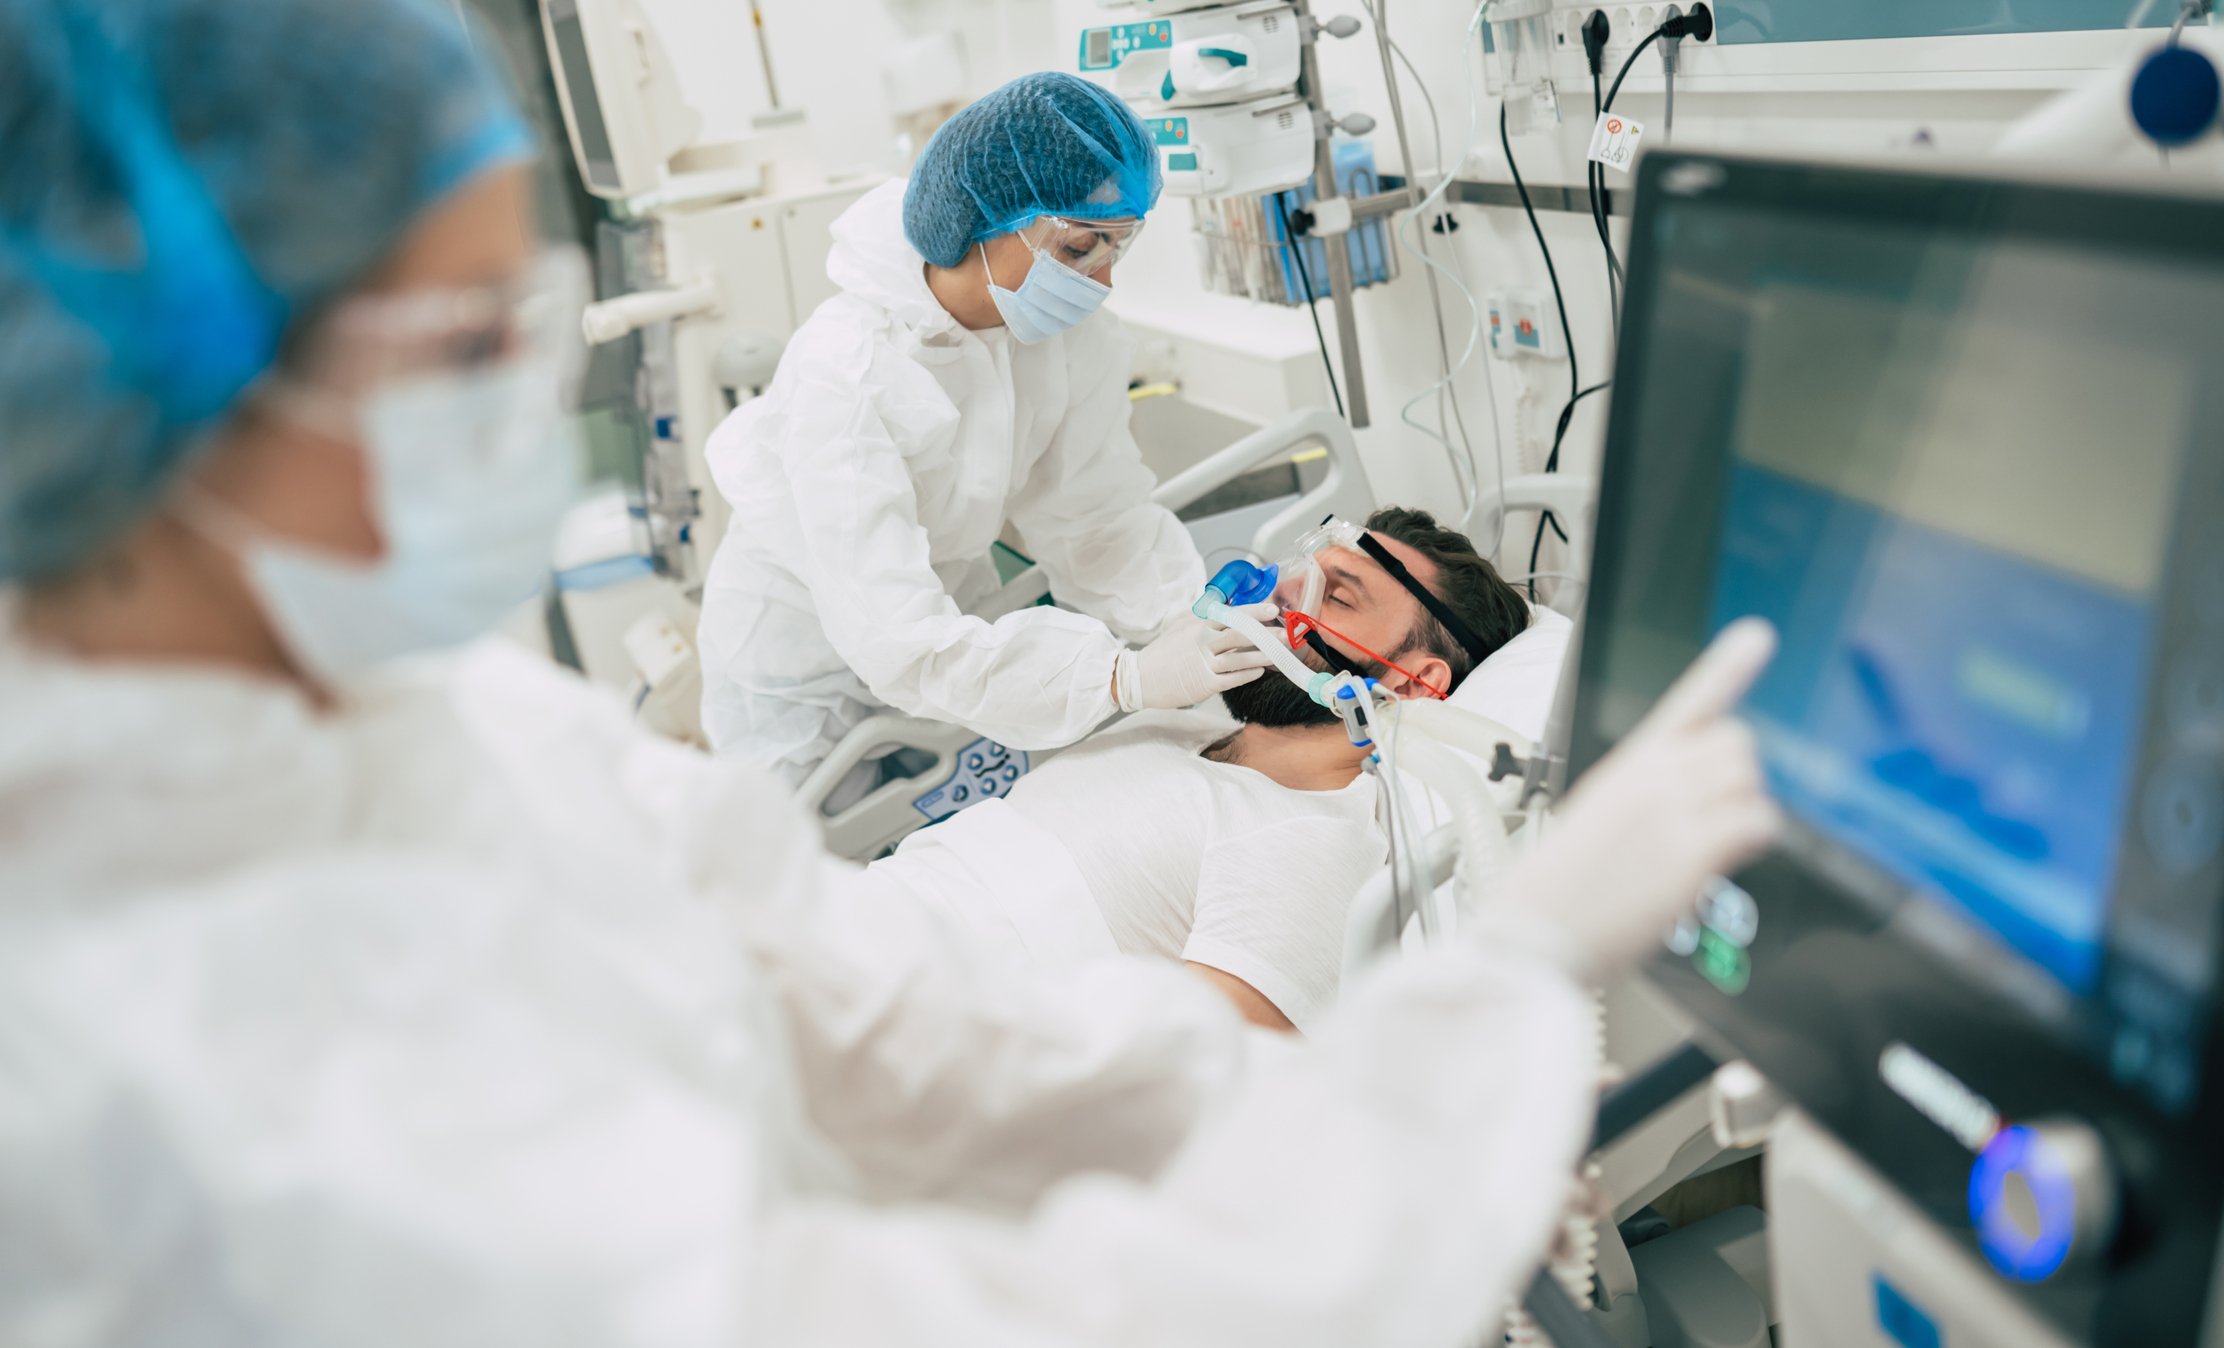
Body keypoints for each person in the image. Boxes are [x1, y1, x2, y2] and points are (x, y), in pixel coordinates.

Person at [0, 2, 1785, 1342]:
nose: (519, 404)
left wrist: (1360, 1092)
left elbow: (860, 1000)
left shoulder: (439, 725)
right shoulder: (158, 1052)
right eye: (474, 342)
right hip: (836, 678)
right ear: (175, 383)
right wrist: (1479, 1020)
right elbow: (1029, 1304)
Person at [693, 71, 1271, 793]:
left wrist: (1200, 622)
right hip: (802, 683)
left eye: (1115, 249)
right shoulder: (847, 371)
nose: (1102, 281)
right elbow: (897, 638)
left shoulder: (1066, 337)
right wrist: (1121, 677)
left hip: (947, 648)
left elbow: (1097, 521)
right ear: (983, 224)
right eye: (1079, 248)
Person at [858, 507, 1535, 1032]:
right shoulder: (1178, 723)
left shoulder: (1309, 837)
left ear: (1413, 684)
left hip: (904, 1025)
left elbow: (1191, 1091)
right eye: (1301, 573)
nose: (1277, 599)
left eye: (1338, 597)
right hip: (854, 928)